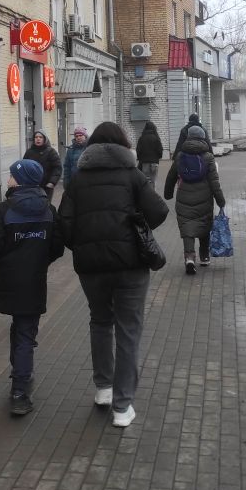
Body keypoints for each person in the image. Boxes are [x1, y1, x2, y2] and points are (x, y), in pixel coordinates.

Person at [58, 121, 169, 429]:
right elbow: (159, 212)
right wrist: (137, 224)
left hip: (91, 268)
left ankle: (104, 389)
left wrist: (84, 245)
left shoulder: (79, 179)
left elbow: (64, 223)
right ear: (123, 145)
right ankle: (123, 407)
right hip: (130, 266)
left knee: (100, 322)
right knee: (128, 330)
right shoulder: (133, 175)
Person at [0, 159, 65, 417]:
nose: (8, 179)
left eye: (11, 175)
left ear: (20, 180)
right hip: (35, 280)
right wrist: (39, 261)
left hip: (9, 280)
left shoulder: (4, 210)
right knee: (25, 330)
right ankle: (21, 380)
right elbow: (57, 247)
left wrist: (5, 262)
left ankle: (19, 389)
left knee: (21, 331)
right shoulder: (49, 210)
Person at [164, 124, 225, 275]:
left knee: (187, 228)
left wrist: (168, 193)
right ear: (203, 137)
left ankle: (189, 258)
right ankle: (204, 257)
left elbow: (171, 176)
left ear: (188, 137)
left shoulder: (180, 155)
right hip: (204, 198)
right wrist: (220, 200)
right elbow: (214, 182)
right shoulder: (208, 157)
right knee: (204, 225)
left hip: (183, 198)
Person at [24, 131, 62, 202]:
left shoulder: (51, 152)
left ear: (44, 139)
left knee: (45, 205)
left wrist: (52, 182)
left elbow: (57, 168)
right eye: (36, 137)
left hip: (46, 186)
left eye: (40, 137)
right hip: (31, 186)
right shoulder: (29, 152)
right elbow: (24, 167)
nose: (38, 139)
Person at [135, 121, 164, 188]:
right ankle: (153, 193)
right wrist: (158, 157)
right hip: (154, 162)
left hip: (144, 162)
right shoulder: (156, 138)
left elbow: (138, 150)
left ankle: (146, 193)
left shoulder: (141, 138)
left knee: (146, 181)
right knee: (153, 181)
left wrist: (140, 158)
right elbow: (160, 150)